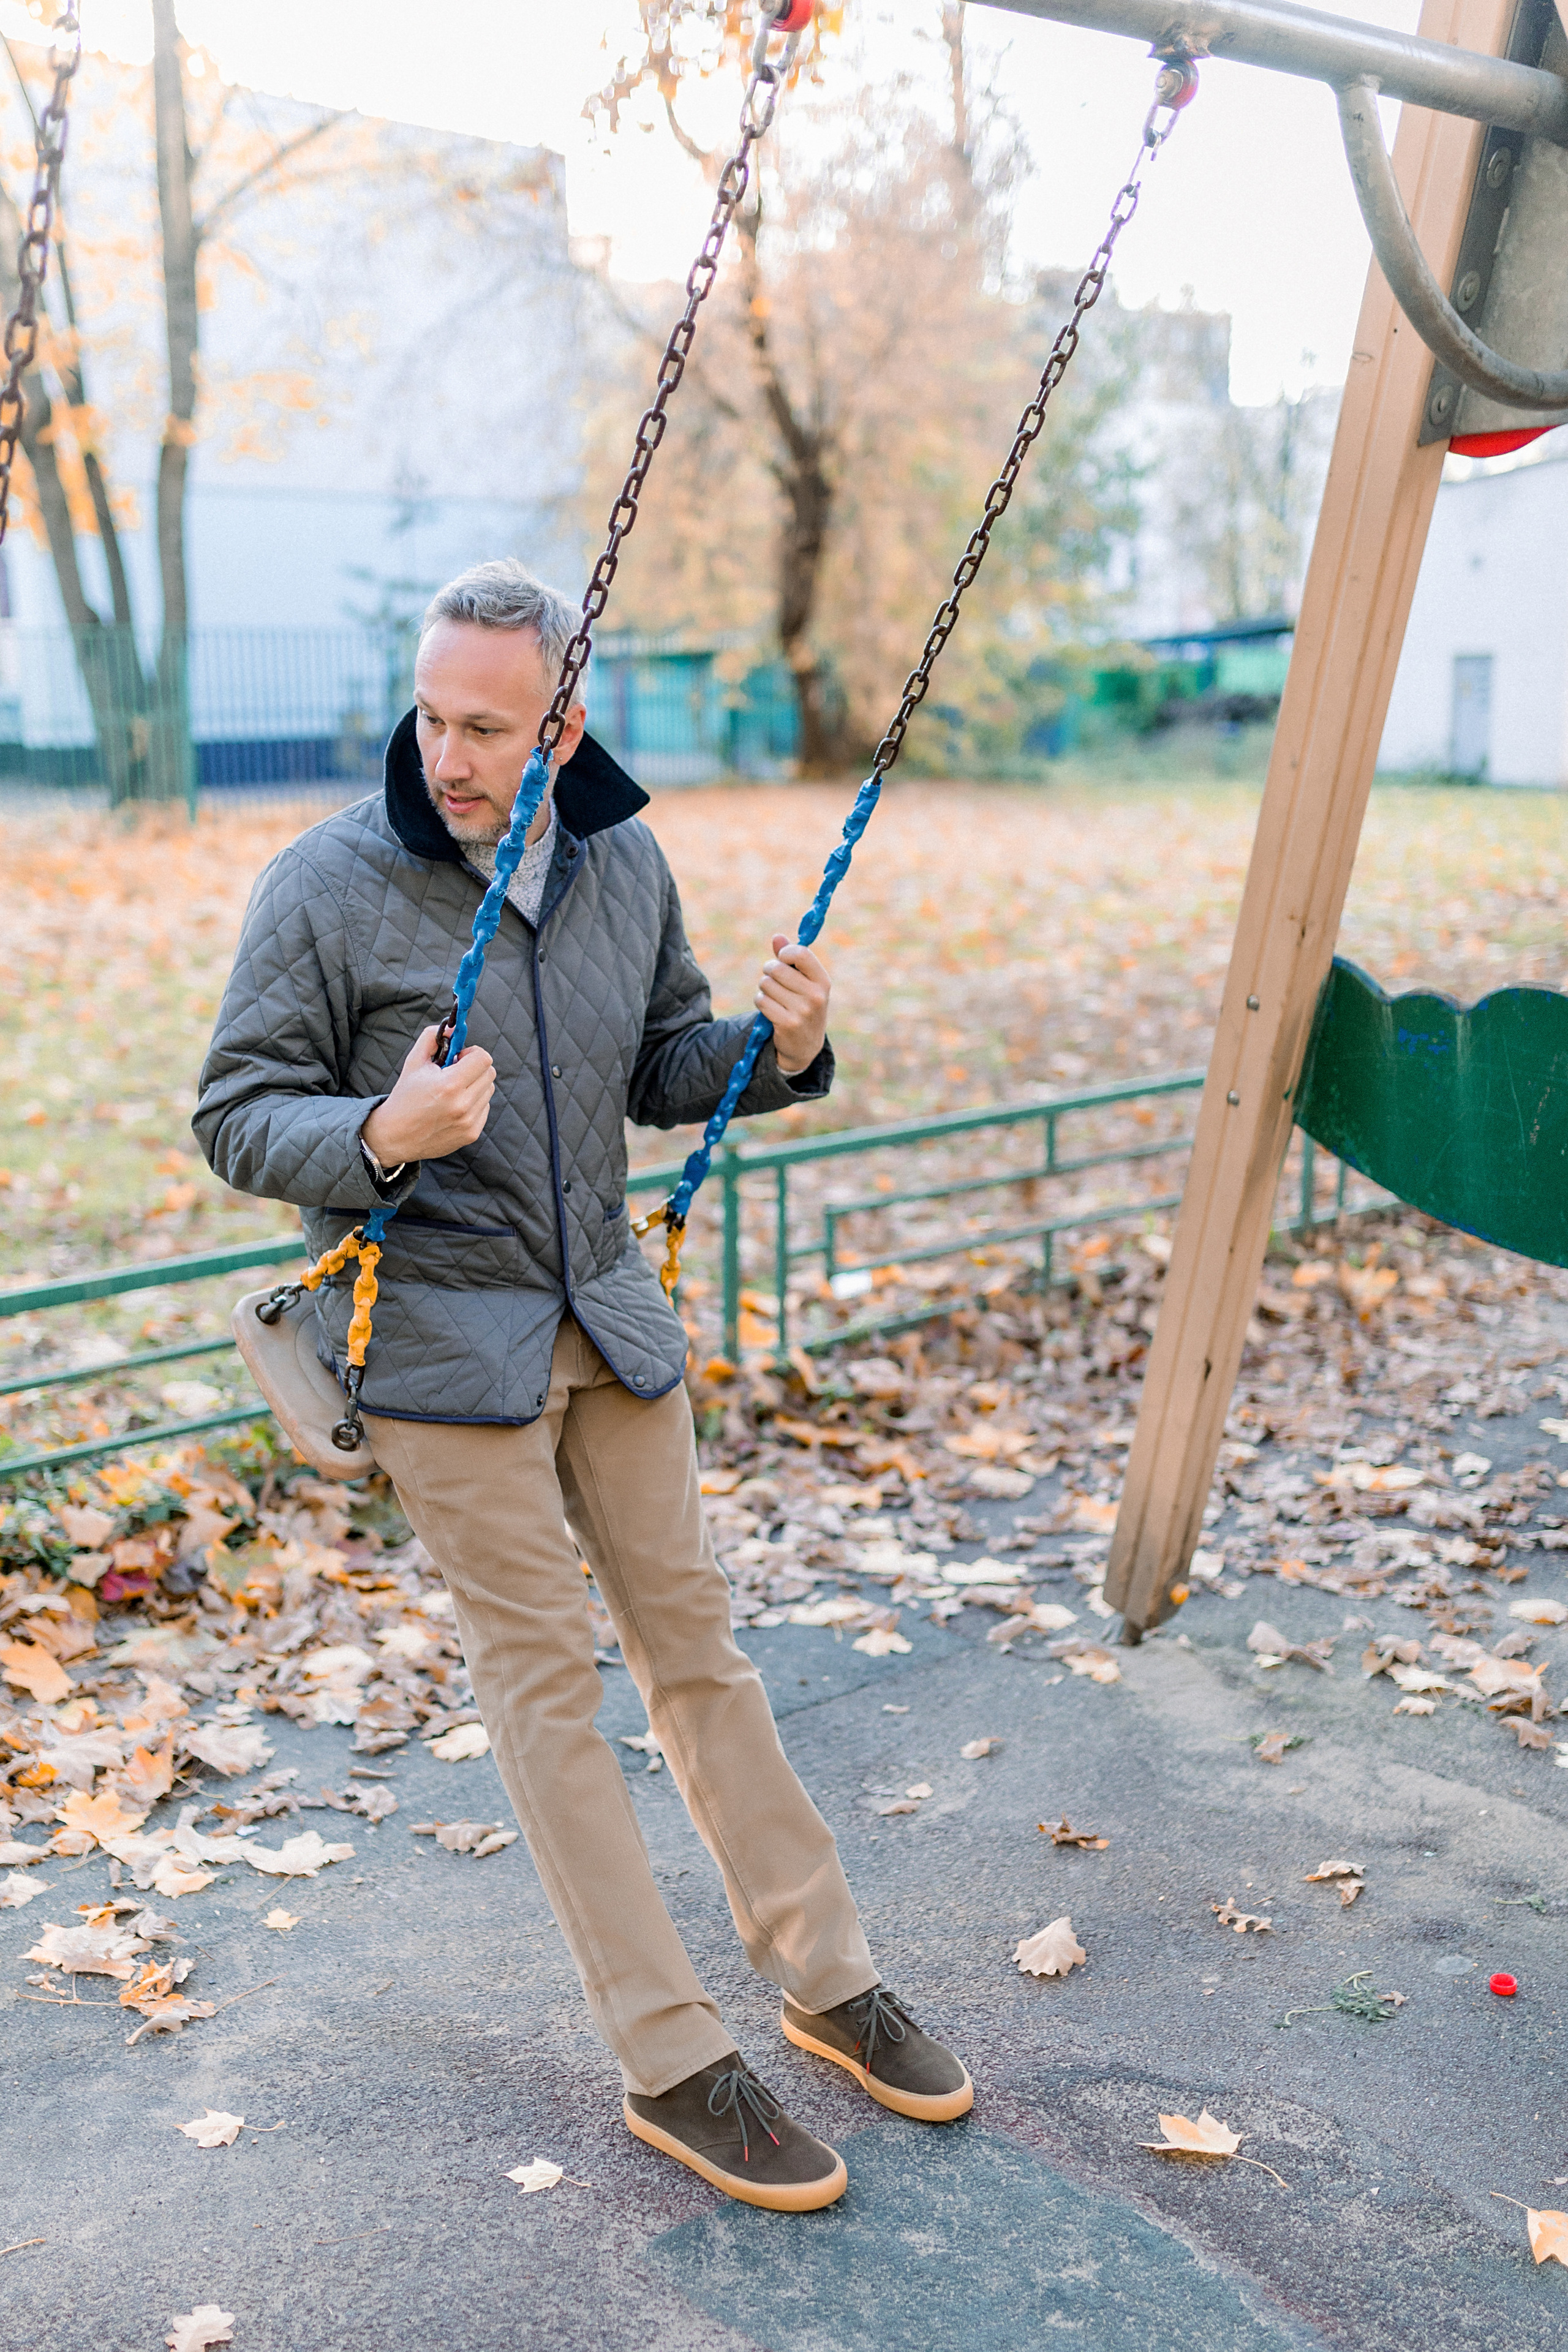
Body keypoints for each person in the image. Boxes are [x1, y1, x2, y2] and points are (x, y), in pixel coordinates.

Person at [194, 558, 971, 2212]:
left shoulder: (619, 859)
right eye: (431, 716)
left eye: (487, 727)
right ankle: (672, 2058)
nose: (448, 755)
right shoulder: (327, 885)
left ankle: (825, 1977)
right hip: (435, 1338)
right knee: (548, 1682)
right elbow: (236, 1113)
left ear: (563, 723)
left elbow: (664, 1061)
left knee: (698, 1649)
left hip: (605, 1317)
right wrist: (378, 1132)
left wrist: (776, 1047)